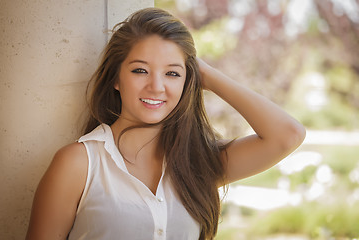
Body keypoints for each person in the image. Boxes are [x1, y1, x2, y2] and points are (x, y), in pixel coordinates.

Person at [25, 7, 306, 240]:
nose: (156, 86)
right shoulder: (79, 163)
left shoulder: (197, 164)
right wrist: (180, 68)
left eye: (172, 74)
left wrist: (203, 73)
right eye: (140, 70)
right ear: (115, 78)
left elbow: (288, 135)